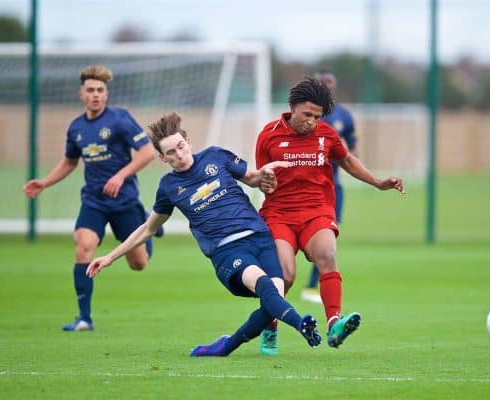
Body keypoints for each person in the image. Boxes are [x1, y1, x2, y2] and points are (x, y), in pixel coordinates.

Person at [86, 112, 322, 357]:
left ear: (188, 142)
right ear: (162, 158)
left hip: (260, 238)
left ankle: (225, 346)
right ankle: (302, 324)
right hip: (227, 251)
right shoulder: (168, 187)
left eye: (180, 146)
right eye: (171, 153)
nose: (179, 155)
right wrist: (109, 257)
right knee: (264, 285)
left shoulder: (216, 156)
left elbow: (251, 178)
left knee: (274, 299)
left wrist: (265, 175)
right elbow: (148, 228)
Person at [256, 77, 404, 354]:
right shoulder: (268, 135)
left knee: (327, 255)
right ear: (293, 107)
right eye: (307, 114)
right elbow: (259, 175)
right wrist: (263, 181)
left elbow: (347, 160)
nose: (311, 121)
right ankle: (270, 326)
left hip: (316, 211)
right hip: (279, 214)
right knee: (284, 275)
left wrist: (377, 181)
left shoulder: (326, 134)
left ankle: (335, 323)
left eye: (317, 116)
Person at [23, 65, 162, 331]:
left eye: (100, 90)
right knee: (83, 246)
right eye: (90, 90)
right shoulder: (76, 128)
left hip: (125, 201)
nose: (95, 94)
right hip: (94, 201)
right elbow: (69, 162)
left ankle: (149, 225)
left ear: (106, 94)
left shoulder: (120, 119)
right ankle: (84, 318)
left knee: (139, 264)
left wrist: (121, 176)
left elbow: (146, 152)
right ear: (81, 94)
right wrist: (44, 183)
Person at [301, 70, 358, 305]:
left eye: (329, 83)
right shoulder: (305, 113)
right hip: (304, 187)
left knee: (327, 234)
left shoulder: (344, 115)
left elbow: (352, 149)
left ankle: (313, 285)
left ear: (334, 86)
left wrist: (342, 153)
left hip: (332, 187)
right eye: (321, 82)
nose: (326, 86)